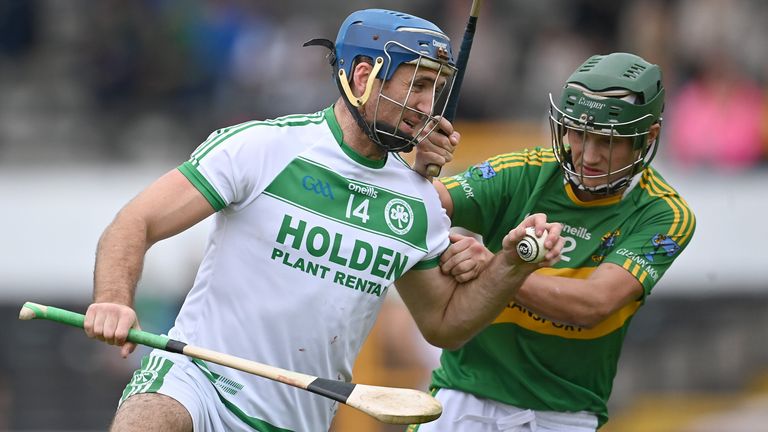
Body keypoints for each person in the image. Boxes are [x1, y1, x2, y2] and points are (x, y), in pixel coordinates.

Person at [82, 9, 563, 432]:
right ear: (361, 77)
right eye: (417, 84)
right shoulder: (262, 148)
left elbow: (444, 324)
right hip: (198, 381)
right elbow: (134, 222)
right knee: (150, 417)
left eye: (436, 89)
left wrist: (510, 265)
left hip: (299, 418)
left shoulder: (417, 201)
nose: (427, 104)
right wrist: (113, 300)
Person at [410, 52, 696, 431]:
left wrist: (497, 269)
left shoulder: (665, 214)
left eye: (608, 141)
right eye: (577, 133)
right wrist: (419, 168)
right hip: (464, 399)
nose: (588, 156)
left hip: (564, 416)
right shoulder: (523, 171)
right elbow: (422, 205)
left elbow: (594, 304)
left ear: (650, 136)